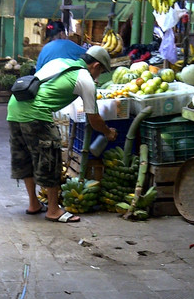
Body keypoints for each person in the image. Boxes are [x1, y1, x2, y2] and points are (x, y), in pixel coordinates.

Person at [7, 44, 118, 224]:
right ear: (96, 66)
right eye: (102, 71)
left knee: (25, 156)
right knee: (50, 159)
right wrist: (108, 132)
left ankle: (34, 204)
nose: (99, 76)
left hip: (15, 106)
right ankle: (53, 210)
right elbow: (94, 118)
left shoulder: (61, 62)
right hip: (37, 114)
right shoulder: (85, 79)